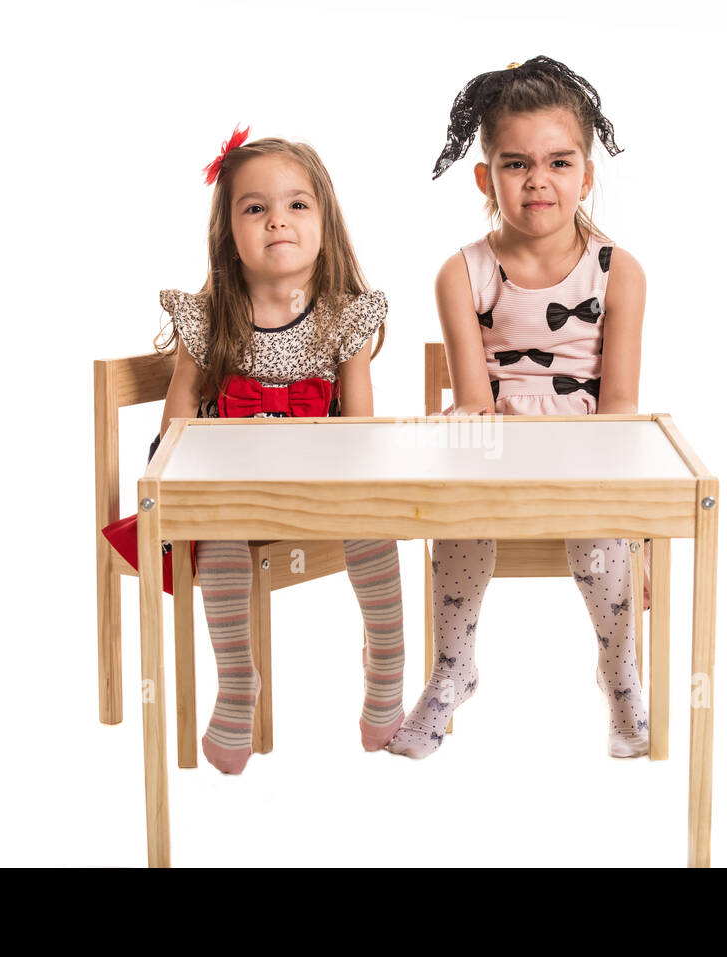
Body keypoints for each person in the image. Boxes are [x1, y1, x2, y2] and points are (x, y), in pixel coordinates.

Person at [116, 127, 406, 773]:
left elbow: (361, 428)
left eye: (297, 204)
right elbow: (181, 412)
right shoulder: (208, 316)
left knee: (374, 528)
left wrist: (366, 491)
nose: (278, 218)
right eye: (255, 207)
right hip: (232, 492)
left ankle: (386, 661)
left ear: (325, 226)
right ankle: (237, 680)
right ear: (230, 235)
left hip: (320, 489)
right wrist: (168, 482)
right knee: (215, 544)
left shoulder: (344, 317)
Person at [387, 56, 651, 760]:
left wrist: (634, 521)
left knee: (600, 539)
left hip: (587, 457)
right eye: (516, 164)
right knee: (460, 517)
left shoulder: (618, 272)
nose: (539, 180)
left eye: (560, 162)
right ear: (486, 177)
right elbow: (474, 403)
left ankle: (621, 677)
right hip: (498, 454)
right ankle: (452, 669)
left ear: (586, 175)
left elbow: (620, 410)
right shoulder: (461, 272)